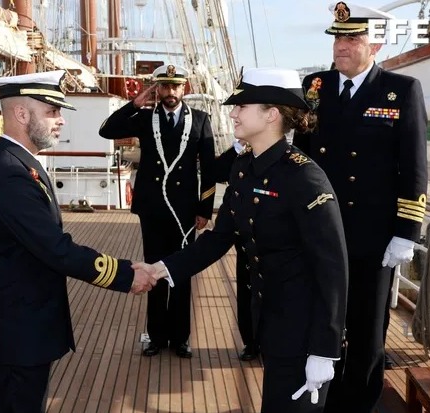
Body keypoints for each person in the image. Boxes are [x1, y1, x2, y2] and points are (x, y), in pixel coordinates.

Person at [136, 67, 349, 413]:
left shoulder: (304, 177)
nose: (233, 113)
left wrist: (325, 350)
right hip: (270, 319)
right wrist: (161, 269)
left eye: (242, 106)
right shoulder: (244, 167)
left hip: (303, 329)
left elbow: (332, 270)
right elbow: (219, 239)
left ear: (271, 115)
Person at [0, 70, 161, 413]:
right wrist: (125, 274)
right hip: (18, 332)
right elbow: (55, 248)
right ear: (21, 114)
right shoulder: (10, 173)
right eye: (52, 112)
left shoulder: (21, 164)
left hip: (26, 326)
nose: (60, 121)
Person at [293, 3, 428, 413]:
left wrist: (407, 231)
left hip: (373, 236)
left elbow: (414, 164)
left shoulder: (401, 90)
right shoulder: (314, 86)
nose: (342, 46)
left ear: (377, 45)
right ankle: (314, 401)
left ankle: (359, 405)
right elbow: (299, 155)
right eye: (337, 37)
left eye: (353, 38)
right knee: (317, 319)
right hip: (319, 229)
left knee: (368, 331)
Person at [99, 64, 217, 358]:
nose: (170, 93)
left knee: (182, 271)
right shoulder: (144, 117)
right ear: (157, 89)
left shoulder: (201, 120)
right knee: (153, 270)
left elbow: (210, 169)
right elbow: (107, 131)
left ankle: (180, 338)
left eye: (175, 87)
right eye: (164, 87)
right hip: (153, 208)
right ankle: (155, 335)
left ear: (184, 88)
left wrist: (205, 209)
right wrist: (133, 104)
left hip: (185, 211)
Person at [215, 143, 259, 361]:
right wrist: (237, 146)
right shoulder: (240, 157)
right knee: (245, 287)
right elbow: (217, 171)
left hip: (276, 246)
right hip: (245, 238)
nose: (234, 115)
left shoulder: (294, 163)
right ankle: (250, 342)